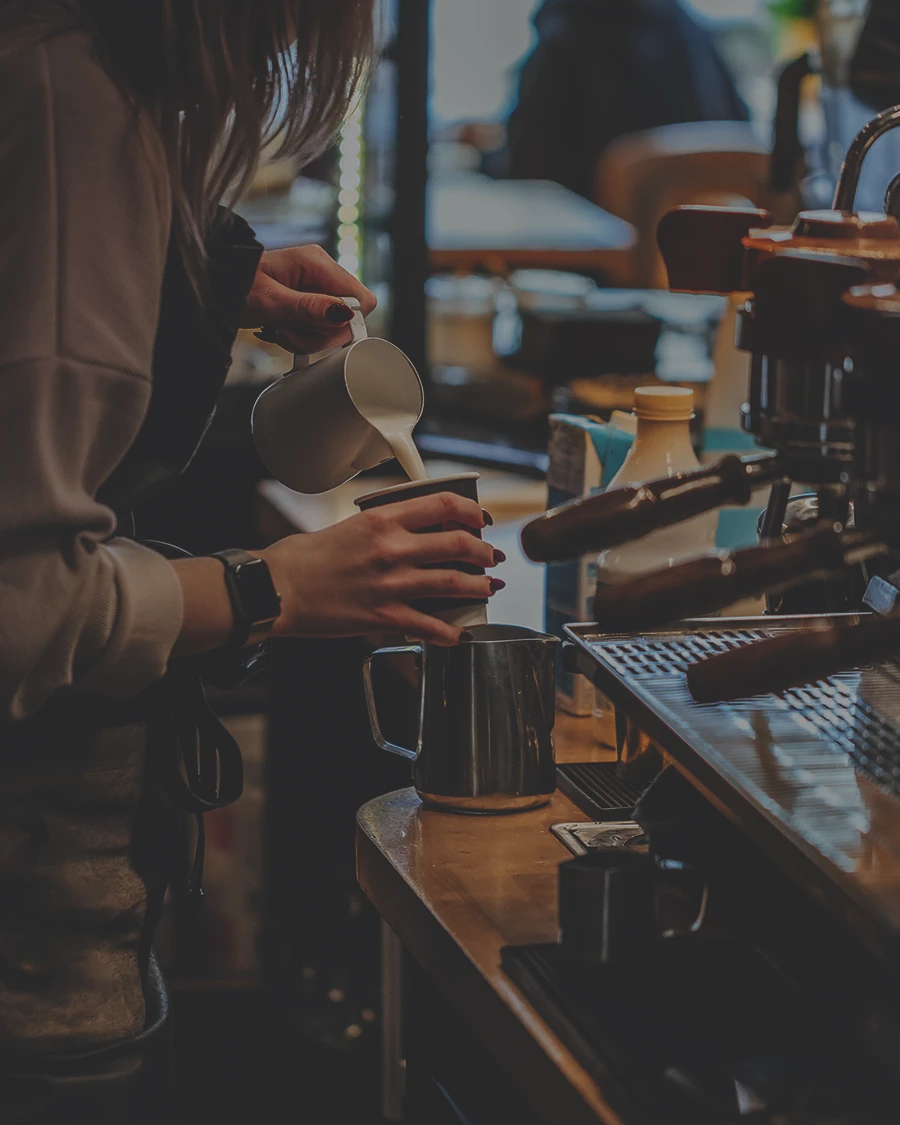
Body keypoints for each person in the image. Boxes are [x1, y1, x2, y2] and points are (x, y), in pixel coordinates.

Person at [0, 1, 501, 1120]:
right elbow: (20, 602)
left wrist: (207, 274)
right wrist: (272, 586)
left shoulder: (55, 65)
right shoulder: (70, 93)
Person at [501, 0, 750, 200]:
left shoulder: (565, 30)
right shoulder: (692, 33)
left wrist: (484, 157)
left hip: (600, 249)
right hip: (702, 249)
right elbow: (740, 133)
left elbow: (529, 166)